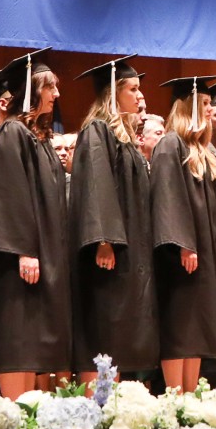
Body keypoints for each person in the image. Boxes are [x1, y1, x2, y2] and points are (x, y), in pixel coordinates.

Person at [0, 52, 73, 397]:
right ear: (32, 89)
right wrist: (24, 250)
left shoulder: (40, 138)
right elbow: (10, 193)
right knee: (18, 335)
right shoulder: (13, 133)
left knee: (36, 341)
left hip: (42, 254)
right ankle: (13, 407)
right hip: (21, 259)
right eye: (50, 87)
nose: (56, 95)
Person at [69, 56, 157, 382]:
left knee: (123, 333)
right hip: (109, 251)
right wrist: (103, 239)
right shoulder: (97, 131)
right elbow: (97, 185)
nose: (139, 96)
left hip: (129, 250)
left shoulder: (124, 139)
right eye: (132, 89)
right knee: (106, 329)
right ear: (113, 93)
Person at [151, 74, 216, 392]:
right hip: (181, 256)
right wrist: (184, 244)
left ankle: (189, 397)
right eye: (202, 104)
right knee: (180, 329)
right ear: (188, 108)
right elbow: (167, 198)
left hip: (203, 254)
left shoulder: (202, 150)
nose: (209, 110)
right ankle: (175, 397)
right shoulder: (170, 144)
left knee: (196, 331)